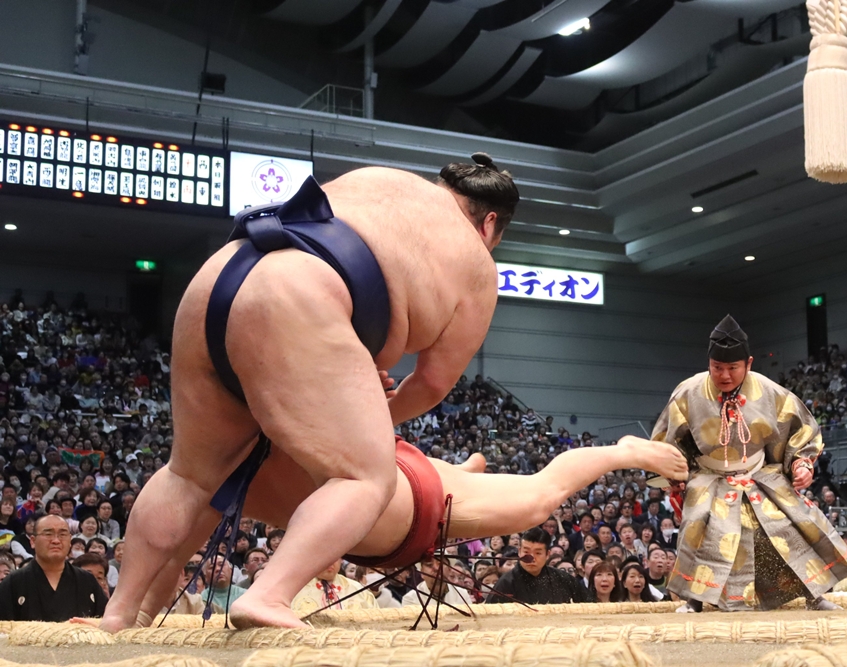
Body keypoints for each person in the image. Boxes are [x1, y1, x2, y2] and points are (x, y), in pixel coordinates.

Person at [102, 156, 522, 631]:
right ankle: (268, 595)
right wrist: (374, 423)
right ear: (489, 223)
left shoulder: (382, 179)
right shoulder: (476, 261)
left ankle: (118, 612)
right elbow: (429, 384)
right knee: (366, 476)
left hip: (221, 273)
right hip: (302, 292)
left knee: (189, 476)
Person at [109, 428, 685, 627]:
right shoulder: (206, 472)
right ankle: (461, 472)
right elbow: (171, 543)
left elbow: (171, 539)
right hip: (388, 490)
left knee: (538, 499)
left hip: (406, 497)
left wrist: (129, 609)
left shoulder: (225, 456)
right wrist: (129, 612)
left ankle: (623, 451)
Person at [649, 315, 847, 613]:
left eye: (732, 368)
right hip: (709, 474)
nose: (724, 375)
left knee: (791, 523)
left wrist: (801, 464)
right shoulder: (688, 391)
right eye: (717, 368)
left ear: (748, 363)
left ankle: (815, 594)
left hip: (759, 471)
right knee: (701, 524)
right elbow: (667, 438)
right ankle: (696, 598)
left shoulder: (769, 391)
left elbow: (800, 429)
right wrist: (675, 472)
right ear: (708, 363)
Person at [0, 515, 107, 621]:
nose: (56, 540)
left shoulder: (87, 581)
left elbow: (104, 623)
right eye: (48, 534)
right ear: (33, 541)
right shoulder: (13, 582)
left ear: (70, 541)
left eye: (62, 534)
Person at [485, 527, 588, 604]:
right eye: (526, 552)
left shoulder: (562, 579)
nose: (531, 558)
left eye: (538, 553)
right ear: (519, 552)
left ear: (547, 555)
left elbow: (588, 603)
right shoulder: (506, 583)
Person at [291, 558, 377, 614]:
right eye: (325, 556)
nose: (330, 561)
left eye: (335, 556)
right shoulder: (292, 590)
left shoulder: (358, 590)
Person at [402, 556, 473, 609]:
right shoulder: (410, 599)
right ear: (422, 573)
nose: (436, 568)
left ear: (449, 570)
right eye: (429, 565)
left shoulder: (463, 595)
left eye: (441, 563)